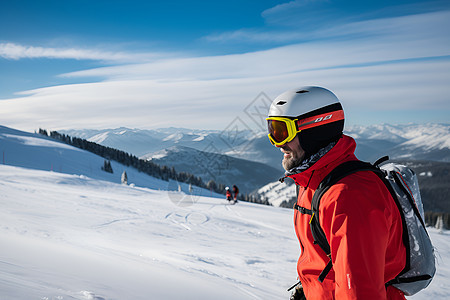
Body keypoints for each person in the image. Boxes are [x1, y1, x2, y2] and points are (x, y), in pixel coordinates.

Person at [266, 86, 406, 300]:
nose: (278, 143)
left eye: (282, 131)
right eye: (272, 130)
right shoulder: (314, 181)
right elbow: (325, 258)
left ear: (314, 131)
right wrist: (310, 289)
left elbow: (361, 291)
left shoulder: (350, 195)